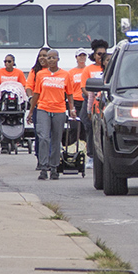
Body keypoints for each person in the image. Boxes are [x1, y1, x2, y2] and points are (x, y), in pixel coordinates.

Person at [27, 50, 76, 181]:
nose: (50, 60)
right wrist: (31, 111)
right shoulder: (41, 74)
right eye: (48, 58)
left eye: (53, 58)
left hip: (59, 109)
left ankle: (54, 167)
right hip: (43, 108)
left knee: (56, 138)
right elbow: (36, 93)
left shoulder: (65, 75)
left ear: (58, 59)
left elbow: (69, 93)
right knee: (43, 137)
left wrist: (72, 108)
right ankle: (43, 167)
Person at [79, 39, 109, 166]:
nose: (101, 56)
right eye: (99, 54)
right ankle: (91, 155)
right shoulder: (88, 69)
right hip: (91, 103)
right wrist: (94, 97)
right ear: (94, 55)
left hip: (106, 104)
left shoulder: (109, 69)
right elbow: (84, 87)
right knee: (90, 129)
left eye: (104, 54)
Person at [26, 48, 50, 160]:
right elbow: (29, 87)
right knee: (39, 134)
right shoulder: (34, 71)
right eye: (40, 55)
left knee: (51, 135)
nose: (42, 58)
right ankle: (40, 158)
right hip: (38, 106)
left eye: (45, 55)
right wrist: (31, 99)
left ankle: (51, 158)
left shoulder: (55, 72)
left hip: (53, 107)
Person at [67, 48, 90, 144]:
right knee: (74, 127)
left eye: (84, 55)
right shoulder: (71, 72)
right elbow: (68, 89)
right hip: (75, 101)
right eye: (80, 56)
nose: (82, 58)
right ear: (76, 58)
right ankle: (72, 147)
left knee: (85, 126)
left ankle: (85, 147)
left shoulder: (88, 70)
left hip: (86, 100)